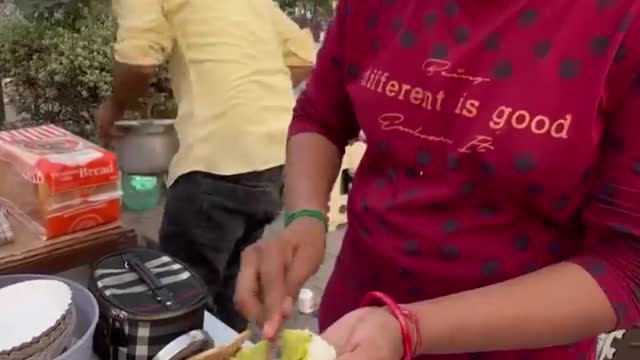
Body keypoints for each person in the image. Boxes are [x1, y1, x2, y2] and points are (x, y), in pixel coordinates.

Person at [235, 0, 640, 359]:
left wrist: (409, 328)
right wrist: (305, 220)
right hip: (352, 331)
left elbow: (625, 267)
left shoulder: (623, 20)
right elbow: (321, 116)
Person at [96, 0, 315, 332]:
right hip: (272, 157)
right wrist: (248, 101)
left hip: (217, 160)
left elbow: (139, 60)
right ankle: (232, 349)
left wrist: (112, 109)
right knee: (231, 286)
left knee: (177, 299)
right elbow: (303, 55)